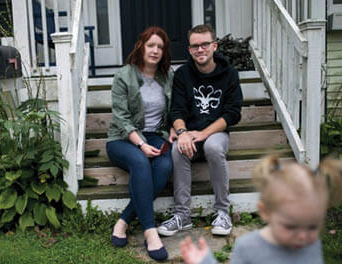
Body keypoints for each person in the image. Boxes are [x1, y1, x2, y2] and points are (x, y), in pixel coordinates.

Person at [158, 24, 243, 237]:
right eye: (195, 46)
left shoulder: (230, 74)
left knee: (214, 147)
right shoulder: (183, 74)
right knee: (178, 149)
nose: (200, 50)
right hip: (190, 132)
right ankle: (182, 216)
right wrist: (183, 132)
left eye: (205, 44)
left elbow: (233, 114)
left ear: (214, 46)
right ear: (189, 50)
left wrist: (204, 133)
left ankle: (223, 213)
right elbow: (176, 109)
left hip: (215, 133)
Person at [180, 155, 342, 264]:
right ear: (265, 212)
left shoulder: (311, 244)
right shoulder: (248, 248)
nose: (303, 236)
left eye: (313, 227)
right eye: (290, 226)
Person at [106, 26, 174, 261]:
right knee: (141, 162)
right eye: (151, 45)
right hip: (122, 139)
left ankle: (124, 220)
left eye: (160, 47)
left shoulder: (168, 76)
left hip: (156, 135)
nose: (155, 50)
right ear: (141, 46)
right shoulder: (124, 75)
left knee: (165, 166)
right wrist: (141, 144)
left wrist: (174, 130)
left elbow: (175, 109)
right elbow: (121, 118)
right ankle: (150, 231)